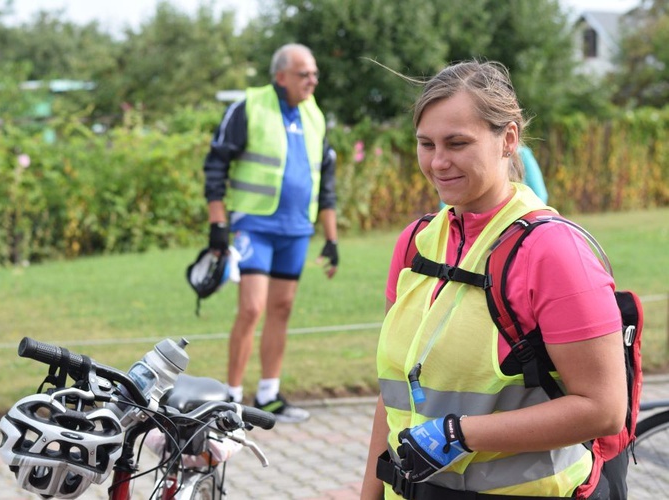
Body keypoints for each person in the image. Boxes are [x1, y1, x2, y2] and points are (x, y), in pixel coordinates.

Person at [360, 60, 626, 499]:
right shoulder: (417, 243)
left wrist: (461, 434)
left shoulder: (554, 252)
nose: (438, 161)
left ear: (508, 139)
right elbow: (395, 394)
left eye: (457, 143)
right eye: (426, 144)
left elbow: (604, 410)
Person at [203, 43, 339, 423]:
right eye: (304, 74)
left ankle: (268, 395)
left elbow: (326, 181)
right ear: (281, 76)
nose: (312, 80)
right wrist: (218, 224)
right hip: (254, 227)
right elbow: (215, 165)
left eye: (314, 73)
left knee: (282, 308)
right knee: (251, 308)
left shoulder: (315, 116)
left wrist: (331, 238)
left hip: (296, 230)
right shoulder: (249, 107)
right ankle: (230, 399)